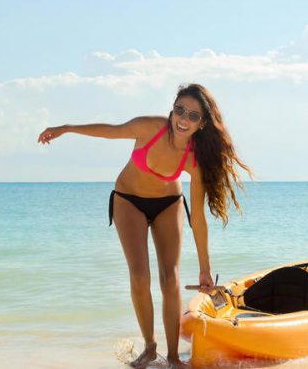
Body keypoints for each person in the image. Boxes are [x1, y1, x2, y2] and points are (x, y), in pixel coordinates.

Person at [37, 84, 252, 369]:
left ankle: (174, 356)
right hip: (128, 200)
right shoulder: (150, 127)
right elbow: (110, 130)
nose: (183, 119)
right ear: (172, 109)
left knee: (170, 278)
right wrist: (65, 128)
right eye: (180, 110)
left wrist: (204, 268)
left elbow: (197, 218)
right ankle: (150, 348)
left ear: (203, 124)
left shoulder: (194, 158)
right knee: (140, 276)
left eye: (193, 116)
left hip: (168, 204)